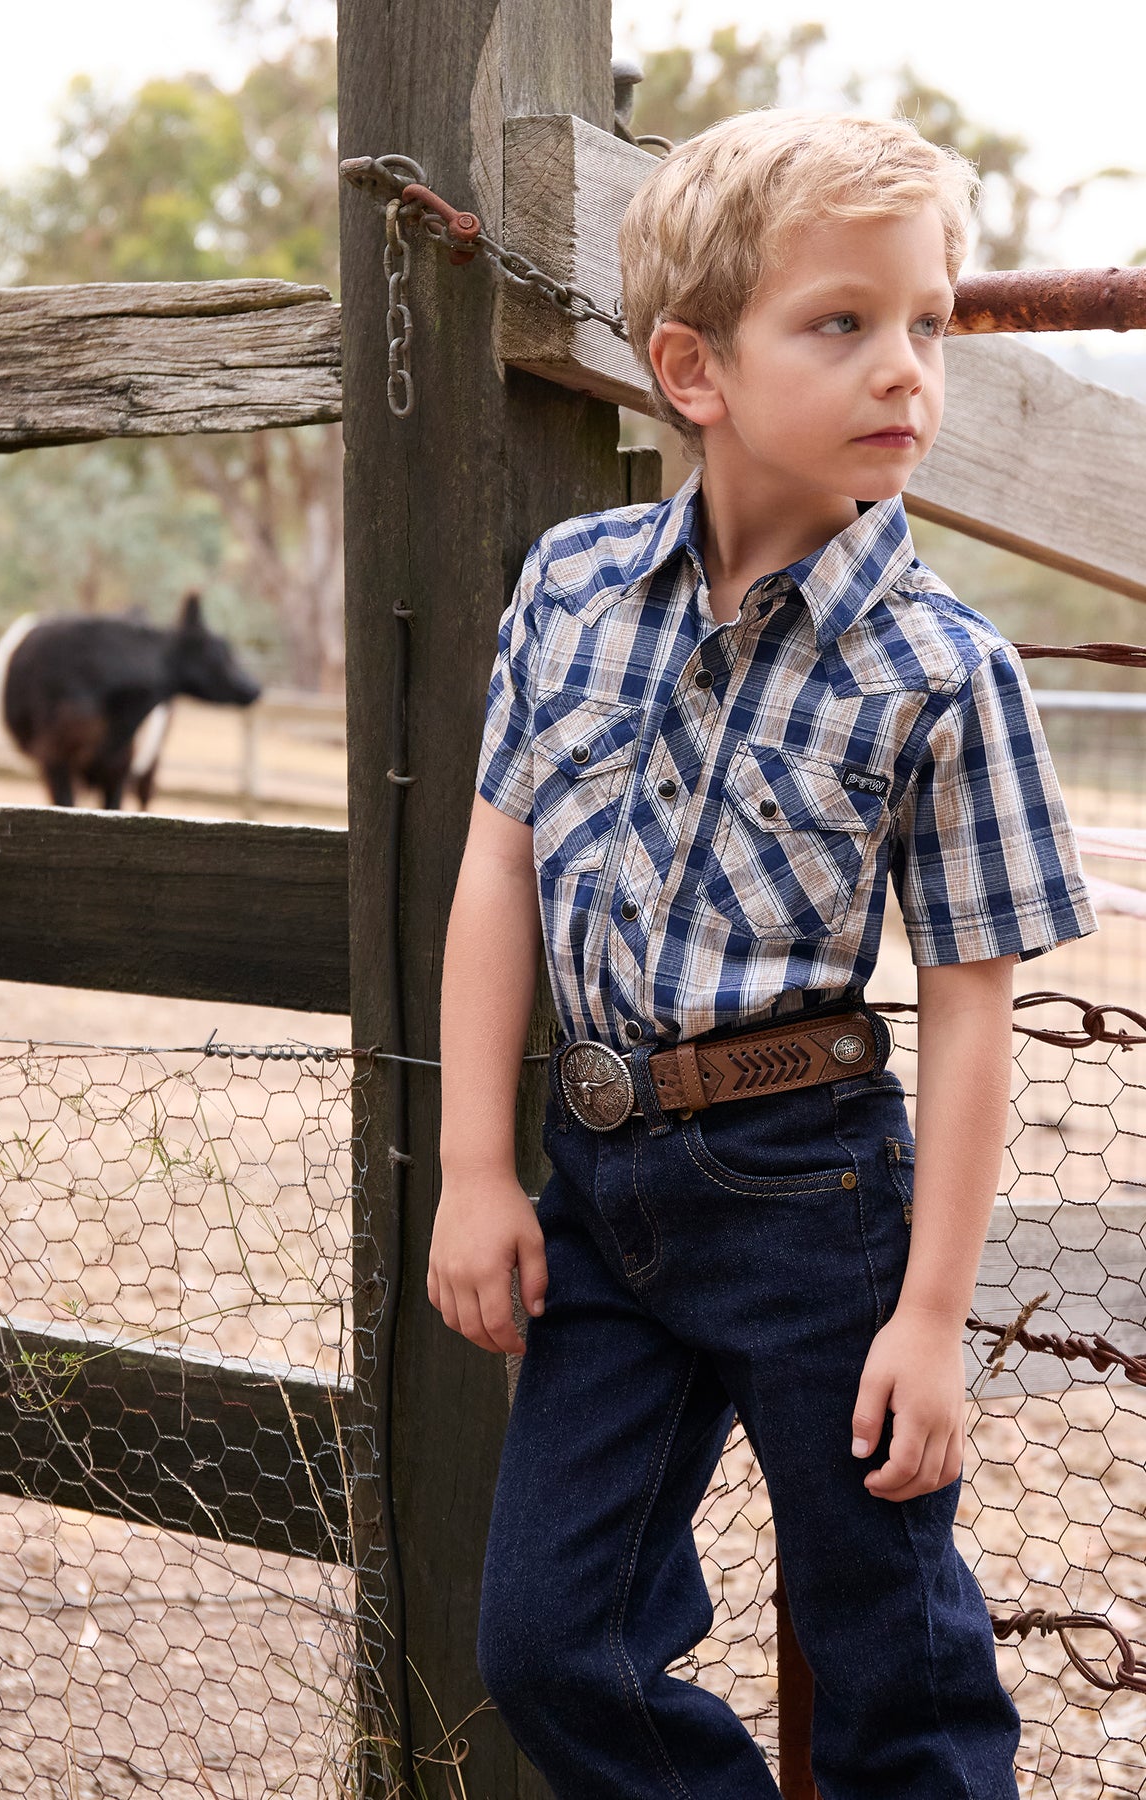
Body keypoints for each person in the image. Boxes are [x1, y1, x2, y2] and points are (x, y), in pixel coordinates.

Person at [428, 108, 1098, 1799]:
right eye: (843, 324)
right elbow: (497, 862)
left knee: (891, 1658)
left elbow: (968, 1009)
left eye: (928, 325)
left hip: (815, 1202)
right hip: (595, 1189)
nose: (906, 372)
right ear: (694, 367)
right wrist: (473, 1169)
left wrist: (931, 1315)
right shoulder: (572, 589)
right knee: (549, 1644)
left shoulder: (942, 671)